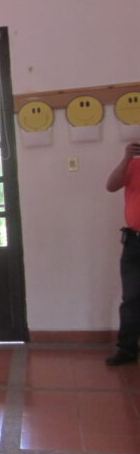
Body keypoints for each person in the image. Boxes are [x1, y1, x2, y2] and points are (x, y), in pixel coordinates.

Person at [104, 140, 140, 366]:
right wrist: (127, 158)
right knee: (131, 298)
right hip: (135, 242)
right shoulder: (133, 165)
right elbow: (111, 185)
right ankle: (127, 349)